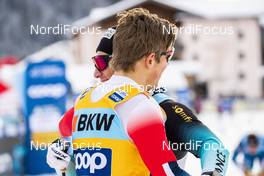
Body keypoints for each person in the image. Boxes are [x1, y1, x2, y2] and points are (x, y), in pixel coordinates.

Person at [47, 10, 229, 176]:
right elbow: (70, 135)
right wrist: (64, 159)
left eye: (102, 62)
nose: (96, 72)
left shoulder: (164, 108)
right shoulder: (94, 101)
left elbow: (213, 146)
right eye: (95, 63)